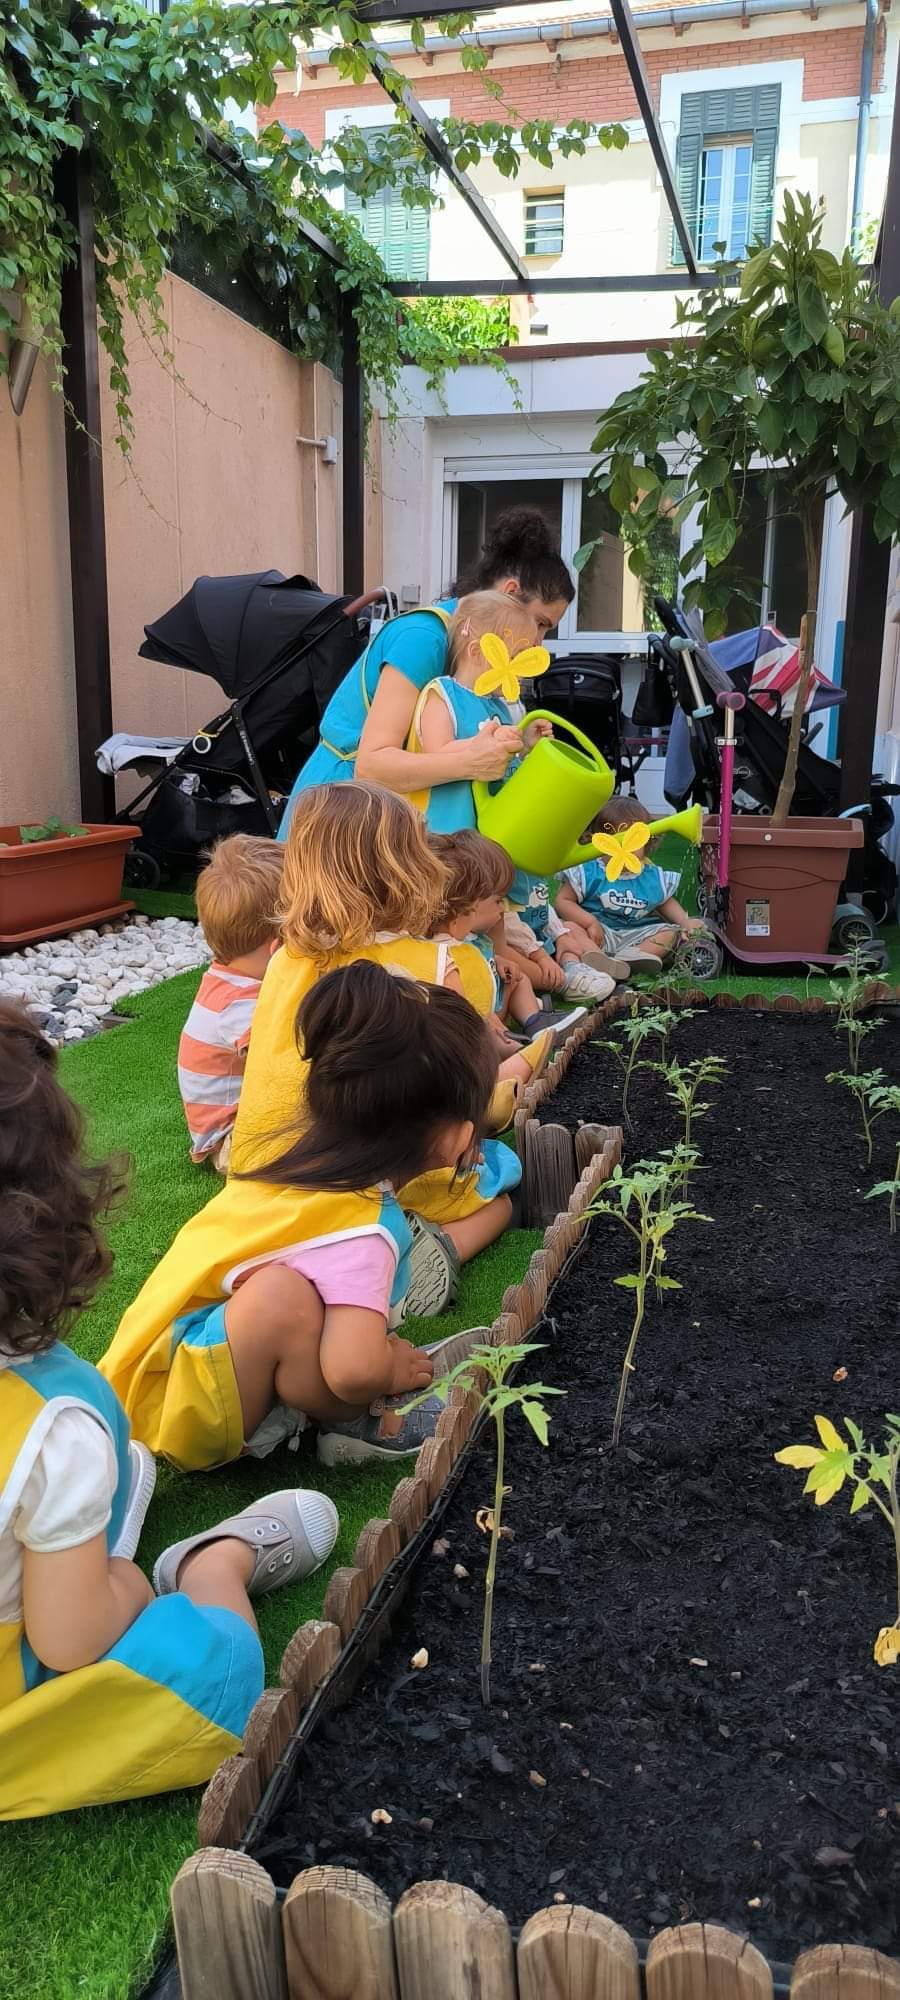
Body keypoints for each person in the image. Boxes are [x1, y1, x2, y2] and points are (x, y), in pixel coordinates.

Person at [0, 1000, 337, 1820]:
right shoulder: (49, 1423)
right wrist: (118, 1585)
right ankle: (208, 1566)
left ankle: (82, 1524)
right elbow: (71, 1640)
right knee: (212, 1682)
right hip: (26, 1682)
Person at [101, 965, 497, 1472]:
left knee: (292, 1299)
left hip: (157, 1381)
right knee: (285, 1302)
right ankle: (357, 1424)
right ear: (456, 1137)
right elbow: (352, 1372)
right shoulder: (362, 1227)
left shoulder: (299, 1170)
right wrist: (387, 1370)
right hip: (183, 1419)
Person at [230, 782, 521, 1304]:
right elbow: (461, 1080)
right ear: (410, 869)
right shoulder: (437, 964)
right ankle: (431, 1252)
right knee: (501, 1194)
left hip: (269, 1174)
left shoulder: (286, 960)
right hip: (378, 1174)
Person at [278, 508, 574, 838]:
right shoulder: (424, 638)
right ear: (510, 592)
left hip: (378, 817)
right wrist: (471, 763)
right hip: (334, 815)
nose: (537, 643)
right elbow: (372, 765)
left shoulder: (474, 657)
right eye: (540, 623)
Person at [405, 589, 553, 834]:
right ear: (476, 652)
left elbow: (501, 765)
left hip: (485, 833)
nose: (520, 671)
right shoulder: (443, 695)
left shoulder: (498, 706)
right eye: (515, 658)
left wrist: (523, 744)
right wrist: (492, 742)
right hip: (444, 832)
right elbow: (437, 753)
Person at [178, 835, 284, 1172]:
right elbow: (287, 1063)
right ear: (279, 947)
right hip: (234, 1140)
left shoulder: (231, 977)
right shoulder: (239, 1004)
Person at [555, 795, 706, 967]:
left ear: (647, 842)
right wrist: (589, 922)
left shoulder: (651, 876)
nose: (625, 849)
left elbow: (667, 903)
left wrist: (685, 922)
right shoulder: (588, 871)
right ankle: (599, 959)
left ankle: (628, 960)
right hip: (598, 933)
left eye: (634, 841)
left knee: (669, 933)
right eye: (616, 841)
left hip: (636, 935)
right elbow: (563, 901)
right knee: (569, 927)